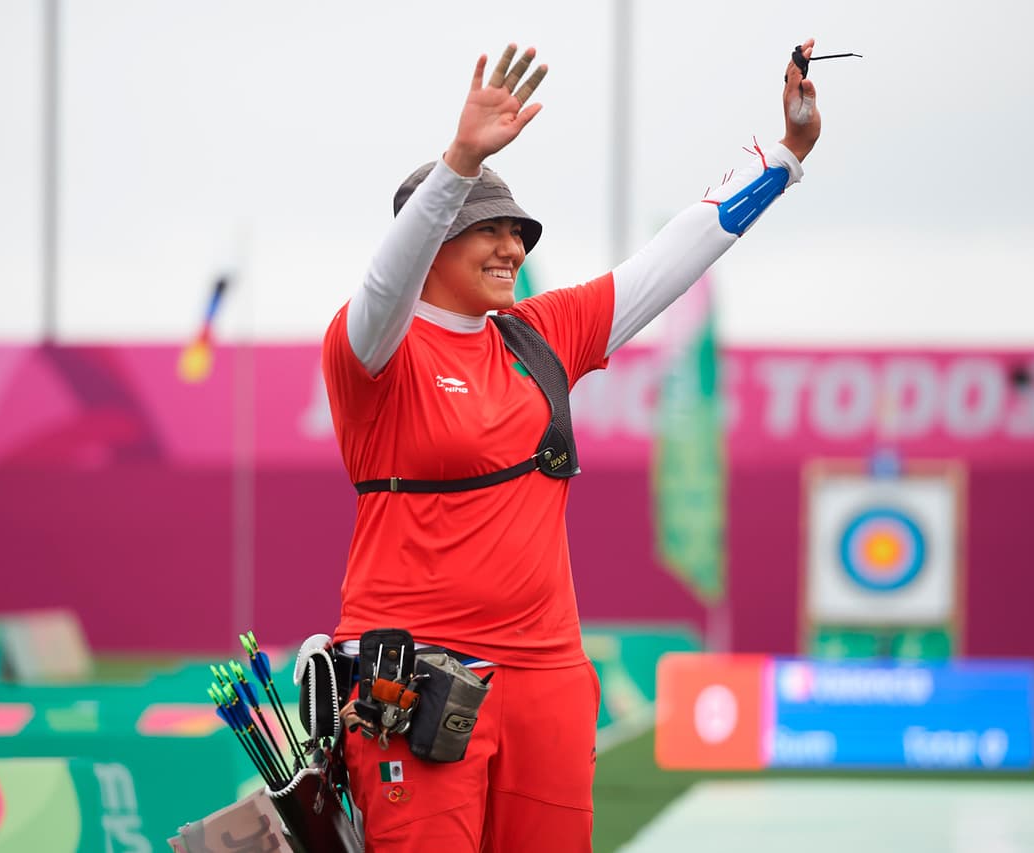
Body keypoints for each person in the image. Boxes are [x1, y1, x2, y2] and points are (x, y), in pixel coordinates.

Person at [321, 38, 823, 853]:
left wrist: (788, 156)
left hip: (550, 679)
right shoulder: (372, 352)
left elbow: (674, 255)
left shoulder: (539, 334)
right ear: (430, 245)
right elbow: (383, 283)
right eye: (487, 231)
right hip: (415, 680)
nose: (512, 248)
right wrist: (458, 163)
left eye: (517, 231)